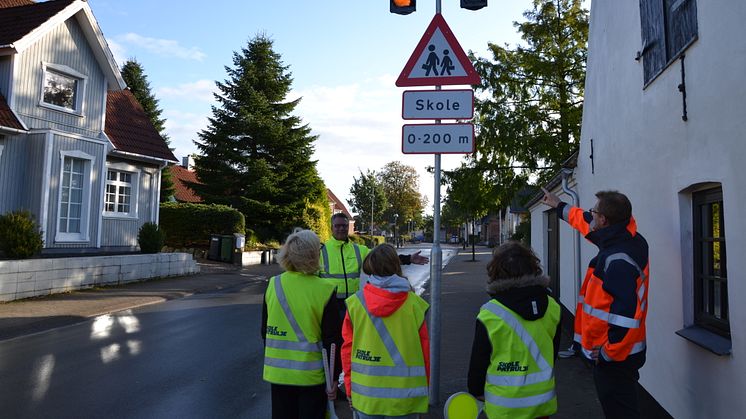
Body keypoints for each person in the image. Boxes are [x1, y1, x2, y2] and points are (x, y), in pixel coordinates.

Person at [541, 188, 649, 419]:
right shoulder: (626, 236)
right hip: (621, 353)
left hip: (614, 356)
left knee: (621, 412)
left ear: (604, 220)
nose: (591, 215)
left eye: (595, 212)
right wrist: (559, 206)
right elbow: (584, 220)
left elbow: (627, 315)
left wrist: (610, 353)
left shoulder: (618, 260)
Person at [467, 241, 561, 419]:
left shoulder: (490, 312)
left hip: (504, 406)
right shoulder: (552, 307)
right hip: (541, 403)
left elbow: (479, 360)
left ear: (496, 271)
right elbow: (552, 352)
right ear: (533, 267)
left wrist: (476, 390)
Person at [342, 244, 430, 418]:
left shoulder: (355, 304)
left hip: (366, 395)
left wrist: (349, 388)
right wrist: (424, 389)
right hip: (406, 396)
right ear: (396, 266)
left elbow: (347, 351)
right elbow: (424, 353)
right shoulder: (415, 305)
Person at [261, 229, 341, 419]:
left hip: (278, 374)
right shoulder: (325, 289)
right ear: (314, 255)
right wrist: (334, 379)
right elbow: (333, 341)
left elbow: (265, 331)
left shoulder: (274, 284)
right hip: (311, 377)